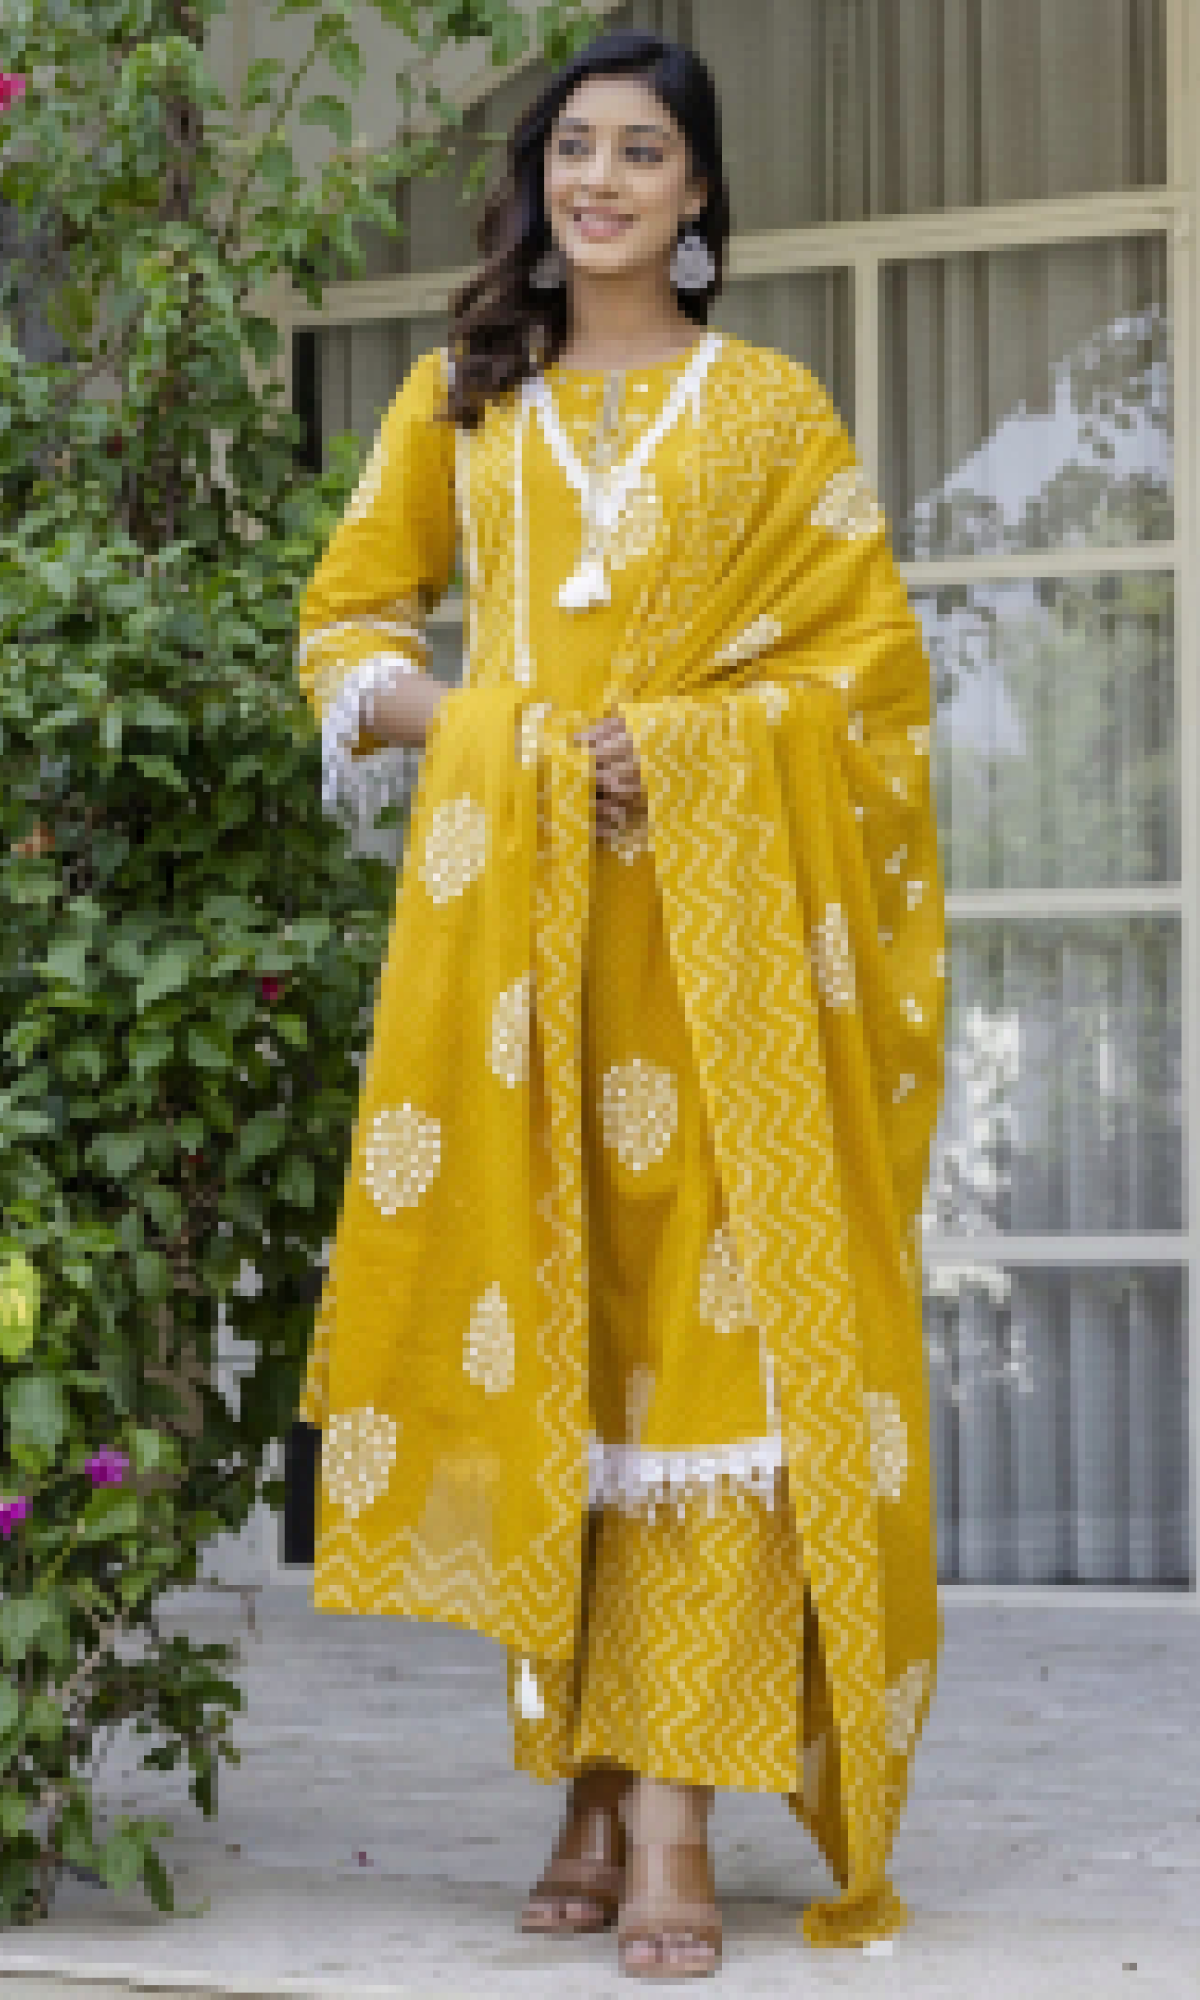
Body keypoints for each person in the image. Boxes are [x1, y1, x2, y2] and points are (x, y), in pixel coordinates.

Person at [295, 26, 946, 1980]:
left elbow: (868, 684)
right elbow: (348, 628)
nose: (600, 179)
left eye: (642, 151)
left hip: (729, 969)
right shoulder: (460, 400)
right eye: (573, 146)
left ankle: (673, 1817)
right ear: (540, 180)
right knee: (557, 1356)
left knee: (712, 1371)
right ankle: (583, 1778)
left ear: (699, 194)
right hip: (521, 966)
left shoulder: (769, 412)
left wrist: (688, 750)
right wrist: (484, 726)